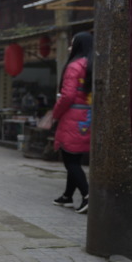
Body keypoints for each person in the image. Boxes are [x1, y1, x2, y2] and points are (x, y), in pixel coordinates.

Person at [51, 31, 93, 214]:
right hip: (88, 117)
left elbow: (67, 96)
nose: (69, 47)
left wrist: (55, 113)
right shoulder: (92, 64)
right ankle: (67, 196)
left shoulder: (74, 66)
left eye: (72, 43)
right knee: (73, 158)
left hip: (72, 117)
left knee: (70, 160)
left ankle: (88, 195)